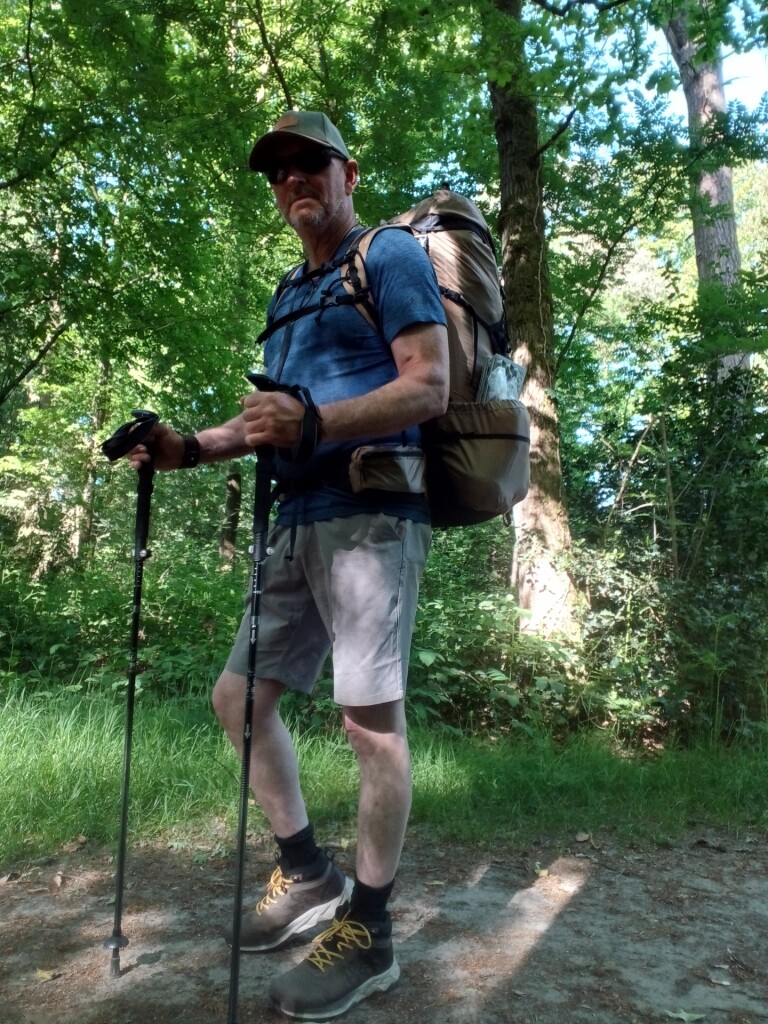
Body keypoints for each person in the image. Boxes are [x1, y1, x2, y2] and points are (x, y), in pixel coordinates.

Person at [127, 110, 448, 1019]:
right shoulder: (288, 294)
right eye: (280, 172)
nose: (295, 180)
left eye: (312, 164)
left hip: (372, 515)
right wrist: (189, 446)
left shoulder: (388, 257)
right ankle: (308, 874)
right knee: (237, 699)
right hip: (294, 519)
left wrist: (313, 422)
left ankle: (372, 932)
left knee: (368, 724)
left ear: (349, 171)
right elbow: (268, 421)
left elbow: (429, 383)